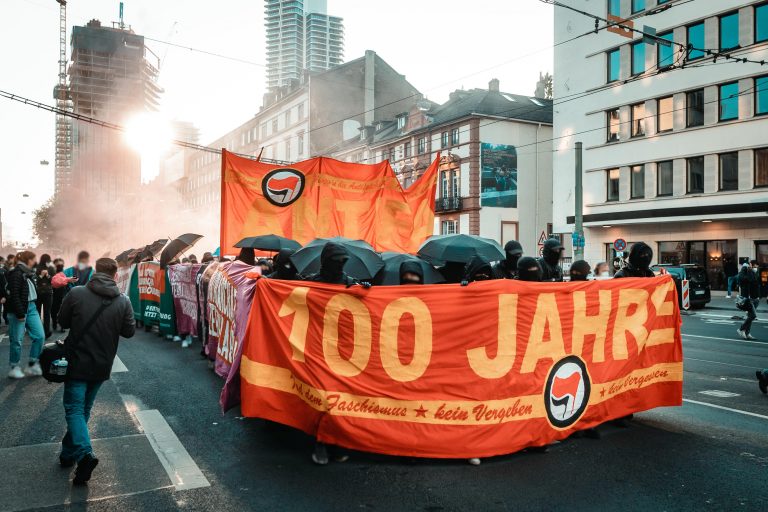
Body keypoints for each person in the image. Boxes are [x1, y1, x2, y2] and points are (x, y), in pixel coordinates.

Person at [57, 257, 136, 485]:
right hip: (102, 364)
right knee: (83, 410)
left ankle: (84, 454)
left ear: (95, 272)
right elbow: (129, 332)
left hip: (76, 361)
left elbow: (62, 321)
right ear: (114, 275)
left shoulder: (77, 293)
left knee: (74, 409)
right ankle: (67, 454)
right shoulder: (123, 301)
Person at [6, 251, 46, 379]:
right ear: (28, 260)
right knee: (17, 340)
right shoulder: (16, 273)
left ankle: (32, 363)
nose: (35, 261)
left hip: (32, 307)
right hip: (20, 309)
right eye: (34, 259)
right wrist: (20, 313)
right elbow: (14, 295)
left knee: (40, 336)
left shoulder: (28, 273)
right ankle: (14, 367)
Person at [35, 253, 55, 339]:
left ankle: (46, 331)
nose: (48, 262)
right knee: (37, 312)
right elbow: (34, 280)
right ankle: (37, 330)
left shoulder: (51, 268)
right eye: (47, 260)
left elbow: (53, 281)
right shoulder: (36, 268)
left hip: (48, 293)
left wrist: (47, 275)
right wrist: (41, 275)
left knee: (47, 313)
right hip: (38, 293)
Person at [736, 262, 759, 340]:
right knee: (753, 316)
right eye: (749, 267)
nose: (751, 268)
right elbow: (746, 279)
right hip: (749, 299)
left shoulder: (752, 273)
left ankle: (747, 333)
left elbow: (755, 282)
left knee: (750, 317)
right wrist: (747, 270)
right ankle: (741, 329)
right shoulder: (743, 275)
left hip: (755, 298)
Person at [51, 258, 67, 332]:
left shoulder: (52, 272)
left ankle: (55, 323)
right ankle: (60, 325)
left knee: (54, 309)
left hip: (55, 293)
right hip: (60, 293)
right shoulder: (63, 273)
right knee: (60, 309)